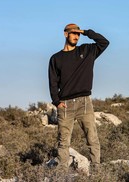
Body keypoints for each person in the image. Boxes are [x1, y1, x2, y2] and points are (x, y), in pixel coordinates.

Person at [48, 23, 109, 172]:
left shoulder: (87, 50)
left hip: (85, 103)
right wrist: (57, 102)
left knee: (92, 139)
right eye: (73, 33)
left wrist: (85, 31)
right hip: (65, 105)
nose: (76, 36)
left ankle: (96, 172)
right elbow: (53, 82)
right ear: (65, 34)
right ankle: (62, 174)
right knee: (63, 142)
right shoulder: (56, 58)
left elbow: (104, 42)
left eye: (78, 34)